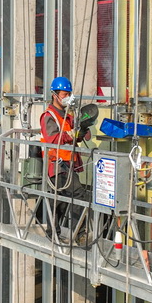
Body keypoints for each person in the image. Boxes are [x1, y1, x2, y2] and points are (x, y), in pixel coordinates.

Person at [40, 76, 93, 241]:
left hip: (69, 164)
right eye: (65, 94)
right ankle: (80, 234)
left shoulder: (68, 116)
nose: (67, 97)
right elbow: (53, 139)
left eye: (69, 93)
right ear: (55, 95)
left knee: (60, 202)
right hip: (57, 165)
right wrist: (72, 134)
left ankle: (52, 232)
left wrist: (82, 129)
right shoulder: (49, 116)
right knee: (79, 194)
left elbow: (75, 136)